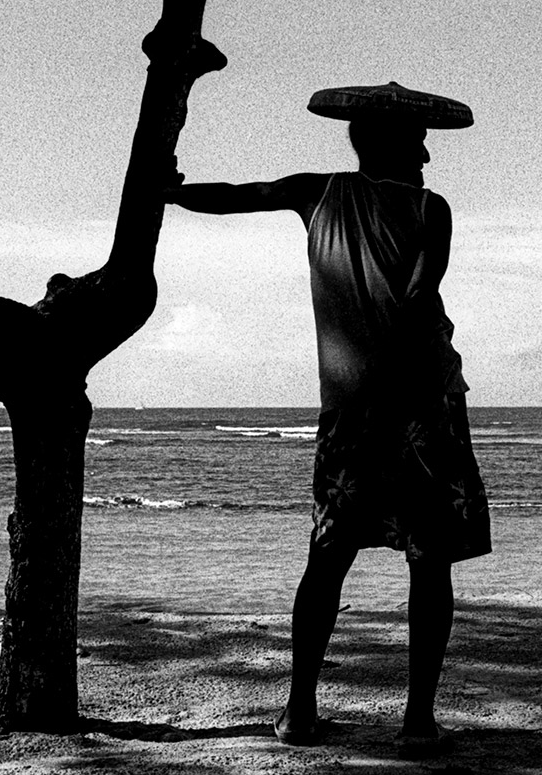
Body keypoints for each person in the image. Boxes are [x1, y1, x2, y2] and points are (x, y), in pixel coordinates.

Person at [166, 82, 490, 759]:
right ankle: (417, 721)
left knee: (328, 556)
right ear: (390, 143)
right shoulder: (431, 209)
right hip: (424, 406)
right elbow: (419, 296)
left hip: (350, 410)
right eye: (418, 141)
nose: (429, 154)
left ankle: (299, 712)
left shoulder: (317, 192)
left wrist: (168, 191)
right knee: (428, 565)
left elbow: (231, 197)